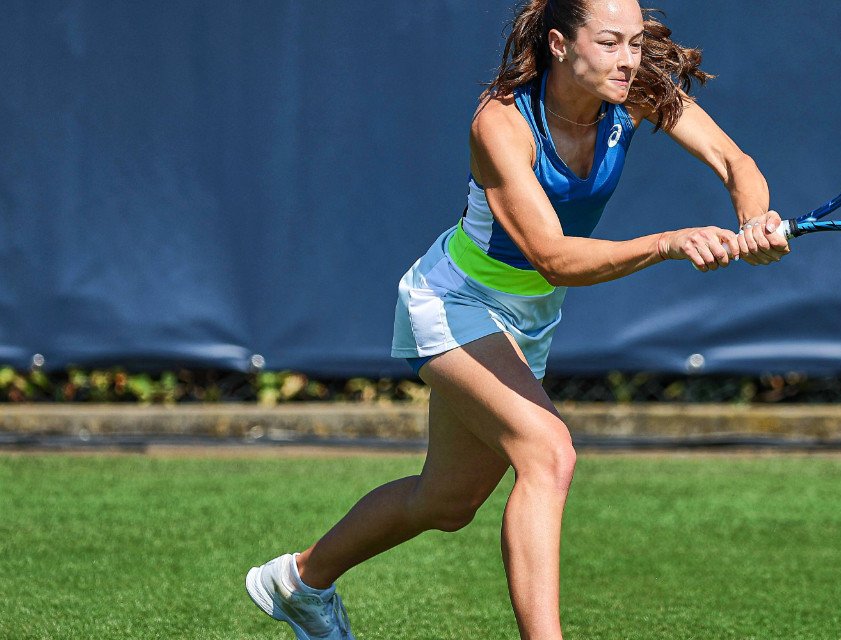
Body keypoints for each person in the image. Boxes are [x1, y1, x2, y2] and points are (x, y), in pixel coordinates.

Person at [245, 0, 788, 638]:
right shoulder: (501, 124)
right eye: (610, 42)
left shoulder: (637, 92)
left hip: (526, 320)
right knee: (548, 453)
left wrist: (755, 221)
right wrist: (668, 242)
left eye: (636, 43)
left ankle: (298, 582)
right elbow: (554, 257)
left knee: (445, 502)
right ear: (559, 43)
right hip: (454, 303)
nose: (628, 60)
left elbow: (736, 163)